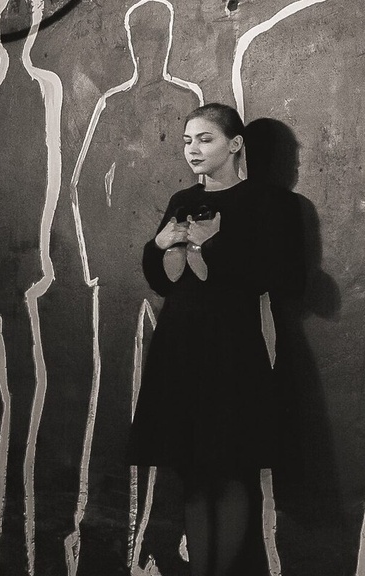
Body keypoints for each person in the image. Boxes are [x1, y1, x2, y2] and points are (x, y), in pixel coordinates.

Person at [127, 103, 304, 576]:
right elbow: (165, 282)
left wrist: (211, 243)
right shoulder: (182, 199)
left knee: (229, 469)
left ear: (235, 144)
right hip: (179, 345)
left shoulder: (267, 202)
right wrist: (159, 245)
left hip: (231, 348)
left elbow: (278, 277)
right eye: (187, 141)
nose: (193, 150)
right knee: (190, 471)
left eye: (205, 139)